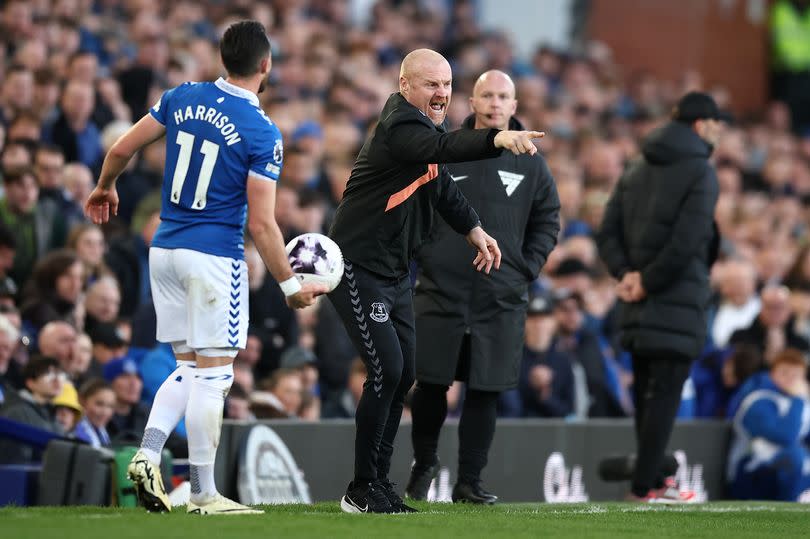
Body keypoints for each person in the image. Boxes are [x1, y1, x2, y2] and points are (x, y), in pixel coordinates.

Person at [84, 20, 325, 515]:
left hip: (165, 248)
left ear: (223, 58)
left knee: (190, 368)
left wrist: (106, 185)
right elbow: (262, 224)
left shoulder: (180, 96)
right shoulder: (262, 131)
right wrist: (289, 285)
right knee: (215, 378)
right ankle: (202, 493)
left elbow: (121, 149)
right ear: (266, 65)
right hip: (213, 258)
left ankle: (148, 453)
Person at [327, 49, 544, 514]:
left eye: (446, 84)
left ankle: (378, 485)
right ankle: (361, 487)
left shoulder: (425, 129)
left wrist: (475, 230)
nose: (441, 93)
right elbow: (441, 153)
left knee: (404, 372)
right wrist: (497, 139)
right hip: (358, 267)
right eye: (431, 84)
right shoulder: (401, 127)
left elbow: (441, 184)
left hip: (394, 271)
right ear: (405, 86)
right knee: (387, 369)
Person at [406, 70, 560, 504]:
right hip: (442, 289)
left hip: (500, 295)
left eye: (504, 97)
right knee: (431, 382)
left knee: (486, 388)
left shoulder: (531, 161)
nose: (495, 103)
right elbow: (417, 208)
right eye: (487, 95)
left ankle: (470, 481)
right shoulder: (448, 150)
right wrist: (429, 257)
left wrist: (524, 267)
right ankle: (425, 462)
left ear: (514, 107)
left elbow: (548, 219)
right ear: (471, 102)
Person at [597, 91, 722, 502]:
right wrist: (647, 280)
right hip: (674, 299)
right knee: (664, 394)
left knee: (647, 392)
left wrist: (626, 275)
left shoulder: (635, 166)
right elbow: (689, 239)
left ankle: (651, 481)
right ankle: (644, 486)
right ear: (702, 125)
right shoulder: (701, 171)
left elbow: (608, 229)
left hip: (636, 301)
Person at [726, 348, 810, 501]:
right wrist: (798, 400)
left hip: (786, 472)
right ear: (772, 374)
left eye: (796, 375)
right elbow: (785, 436)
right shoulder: (758, 400)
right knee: (794, 456)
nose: (790, 380)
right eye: (785, 373)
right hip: (752, 472)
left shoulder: (803, 404)